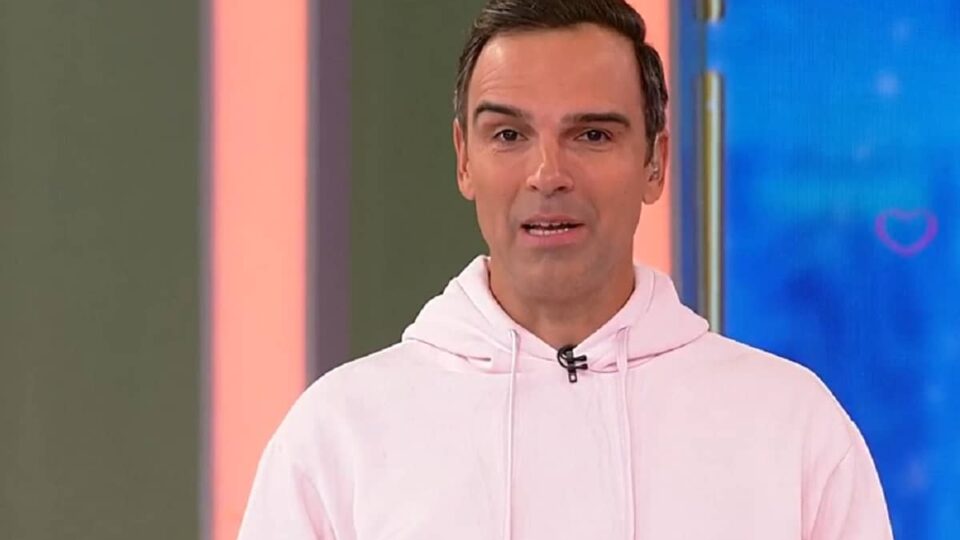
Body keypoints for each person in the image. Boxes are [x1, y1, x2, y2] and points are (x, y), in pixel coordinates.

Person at [238, 0, 893, 538]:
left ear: (656, 162)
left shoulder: (791, 426)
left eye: (592, 135)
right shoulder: (339, 435)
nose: (547, 174)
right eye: (509, 135)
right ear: (464, 158)